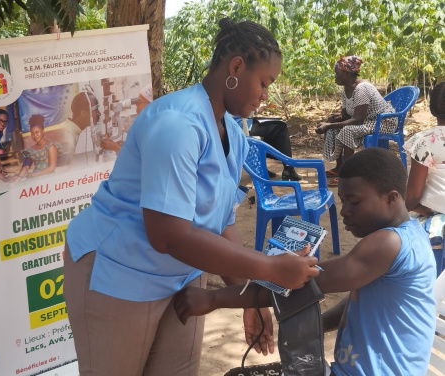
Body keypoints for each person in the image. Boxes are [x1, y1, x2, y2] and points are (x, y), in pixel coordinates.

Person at [63, 18, 320, 376]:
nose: (265, 95)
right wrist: (271, 268)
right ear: (236, 67)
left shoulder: (232, 131)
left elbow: (222, 222)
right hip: (119, 271)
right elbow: (168, 234)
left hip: (182, 276)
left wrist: (254, 294)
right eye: (264, 83)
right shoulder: (177, 124)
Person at [174, 147, 436, 375]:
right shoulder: (410, 235)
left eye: (354, 202)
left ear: (391, 198)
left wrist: (213, 300)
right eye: (343, 201)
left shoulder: (387, 244)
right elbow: (359, 300)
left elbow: (297, 281)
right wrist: (314, 325)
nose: (344, 211)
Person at [315, 55, 397, 185]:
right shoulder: (346, 90)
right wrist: (333, 120)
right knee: (336, 127)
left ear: (346, 74)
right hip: (367, 120)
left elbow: (358, 120)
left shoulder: (362, 89)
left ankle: (349, 173)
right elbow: (347, 116)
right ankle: (340, 167)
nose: (335, 77)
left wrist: (329, 125)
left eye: (337, 73)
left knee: (347, 130)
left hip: (382, 122)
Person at [404, 81, 445, 275]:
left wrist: (428, 212)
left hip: (434, 216)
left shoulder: (424, 141)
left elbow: (411, 199)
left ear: (432, 109)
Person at [11, 114, 63, 183]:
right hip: (35, 179)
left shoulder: (50, 146)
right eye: (32, 133)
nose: (35, 135)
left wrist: (34, 175)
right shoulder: (31, 150)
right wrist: (16, 180)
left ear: (43, 131)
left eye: (37, 132)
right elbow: (26, 167)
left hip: (48, 179)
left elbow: (52, 167)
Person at [61, 91, 102, 160]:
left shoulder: (72, 130)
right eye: (96, 110)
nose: (99, 114)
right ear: (83, 113)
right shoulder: (68, 137)